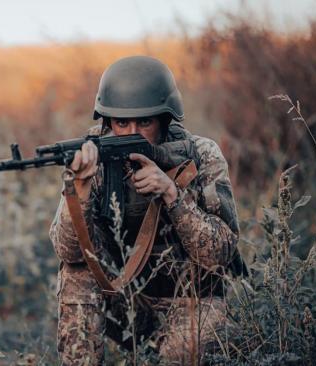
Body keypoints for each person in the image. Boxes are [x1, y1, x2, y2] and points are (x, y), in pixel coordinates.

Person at [49, 56, 245, 364]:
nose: (131, 133)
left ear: (165, 120)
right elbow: (70, 253)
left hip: (190, 299)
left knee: (183, 354)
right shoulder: (92, 157)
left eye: (145, 122)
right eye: (121, 123)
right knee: (78, 273)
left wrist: (172, 194)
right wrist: (80, 189)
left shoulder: (201, 155)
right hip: (125, 298)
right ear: (107, 121)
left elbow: (220, 253)